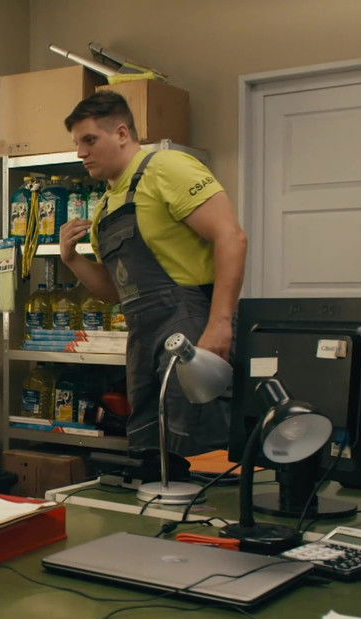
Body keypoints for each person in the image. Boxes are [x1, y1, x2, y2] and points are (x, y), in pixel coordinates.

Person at [58, 91, 247, 456]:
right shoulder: (104, 208)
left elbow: (231, 237)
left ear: (122, 133)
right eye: (77, 143)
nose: (81, 153)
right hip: (142, 338)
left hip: (191, 326)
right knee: (148, 443)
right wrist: (72, 259)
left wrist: (220, 323)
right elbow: (116, 292)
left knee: (197, 441)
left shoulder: (167, 168)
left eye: (90, 140)